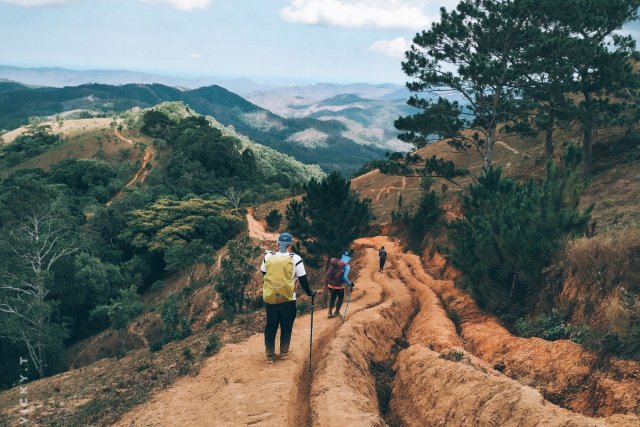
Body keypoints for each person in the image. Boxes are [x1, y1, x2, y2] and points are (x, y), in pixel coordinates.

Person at [261, 232, 315, 364]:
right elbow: (303, 279)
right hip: (288, 298)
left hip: (271, 298)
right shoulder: (295, 258)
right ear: (291, 244)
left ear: (277, 244)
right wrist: (310, 293)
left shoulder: (268, 256)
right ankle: (284, 352)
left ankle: (269, 355)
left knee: (271, 326)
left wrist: (274, 285)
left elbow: (263, 272)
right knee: (286, 324)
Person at [326, 251, 354, 319]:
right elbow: (344, 278)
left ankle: (329, 312)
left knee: (332, 298)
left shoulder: (336, 262)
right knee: (340, 298)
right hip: (338, 286)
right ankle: (336, 312)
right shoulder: (346, 266)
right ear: (349, 258)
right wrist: (350, 284)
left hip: (330, 285)